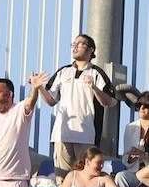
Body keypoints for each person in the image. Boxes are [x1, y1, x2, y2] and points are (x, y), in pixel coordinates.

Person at [40, 33, 116, 179]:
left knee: (84, 178)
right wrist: (39, 88)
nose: (75, 47)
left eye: (80, 44)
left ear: (91, 50)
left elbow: (109, 102)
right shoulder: (63, 72)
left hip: (86, 135)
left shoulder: (97, 73)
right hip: (62, 134)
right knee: (62, 179)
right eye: (73, 44)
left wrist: (94, 87)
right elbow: (51, 100)